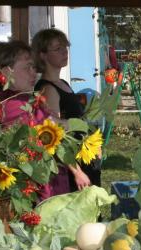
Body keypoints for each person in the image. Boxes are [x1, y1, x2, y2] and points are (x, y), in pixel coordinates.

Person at [0, 40, 69, 198]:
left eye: (33, 67)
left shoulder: (23, 99)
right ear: (7, 73)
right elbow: (53, 125)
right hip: (35, 191)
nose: (34, 73)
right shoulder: (14, 104)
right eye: (27, 67)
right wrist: (83, 125)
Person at [31, 28, 101, 192]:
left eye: (65, 47)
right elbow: (54, 135)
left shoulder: (63, 83)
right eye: (58, 48)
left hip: (82, 157)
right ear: (43, 55)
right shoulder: (47, 89)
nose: (64, 52)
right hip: (70, 166)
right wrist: (76, 172)